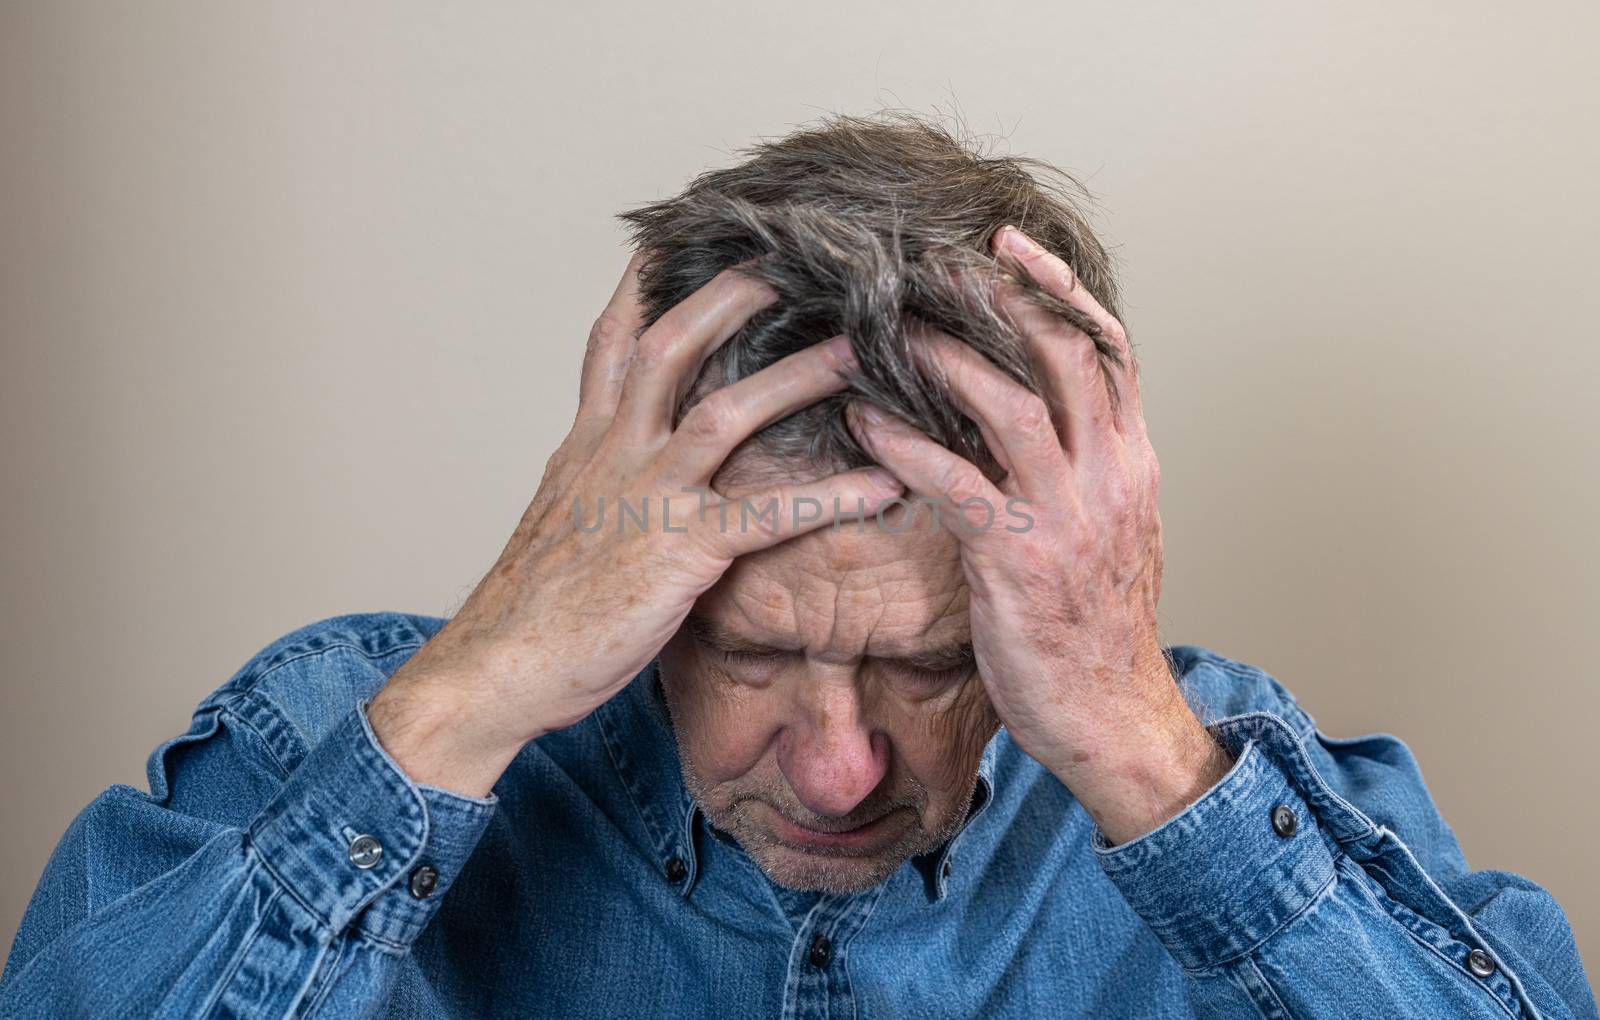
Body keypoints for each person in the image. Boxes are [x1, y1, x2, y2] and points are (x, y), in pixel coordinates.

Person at [1, 112, 1594, 1020]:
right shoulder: (338, 737)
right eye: (749, 655)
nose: (836, 774)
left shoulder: (1208, 786)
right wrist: (467, 696)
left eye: (928, 667)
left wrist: (1136, 747)